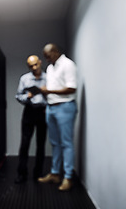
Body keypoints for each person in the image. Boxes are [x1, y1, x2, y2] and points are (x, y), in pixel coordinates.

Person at [38, 43, 78, 191]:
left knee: (66, 143)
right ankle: (55, 174)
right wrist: (48, 99)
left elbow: (71, 88)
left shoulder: (68, 65)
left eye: (48, 56)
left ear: (56, 52)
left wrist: (49, 91)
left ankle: (68, 177)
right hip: (51, 107)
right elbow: (52, 89)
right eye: (45, 57)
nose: (47, 60)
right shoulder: (50, 67)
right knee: (55, 143)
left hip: (65, 107)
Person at [14, 55, 47, 183]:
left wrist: (46, 93)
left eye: (35, 64)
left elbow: (53, 97)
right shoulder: (25, 78)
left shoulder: (48, 78)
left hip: (43, 112)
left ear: (40, 63)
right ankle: (21, 174)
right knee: (24, 144)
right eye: (31, 66)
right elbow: (18, 96)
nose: (34, 67)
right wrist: (27, 96)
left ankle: (38, 173)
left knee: (41, 144)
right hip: (29, 111)